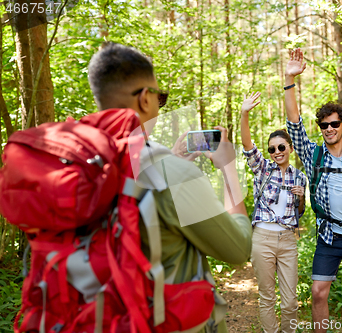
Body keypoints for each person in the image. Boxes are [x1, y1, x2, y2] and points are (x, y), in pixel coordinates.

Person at [88, 42, 252, 332]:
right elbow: (238, 249)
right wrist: (228, 168)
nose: (160, 106)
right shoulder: (172, 175)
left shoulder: (86, 165)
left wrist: (172, 161)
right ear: (145, 100)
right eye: (159, 97)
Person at [283, 48, 342, 333]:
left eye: (335, 124)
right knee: (319, 291)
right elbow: (294, 125)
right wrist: (289, 79)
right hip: (329, 234)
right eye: (324, 125)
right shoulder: (313, 155)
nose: (329, 128)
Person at [240, 92, 307, 333]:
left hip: (288, 239)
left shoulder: (299, 176)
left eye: (281, 147)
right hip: (263, 239)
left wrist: (301, 197)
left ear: (289, 148)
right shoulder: (263, 168)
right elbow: (247, 145)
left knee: (290, 301)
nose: (276, 151)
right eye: (271, 149)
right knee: (267, 297)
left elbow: (299, 212)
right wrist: (244, 112)